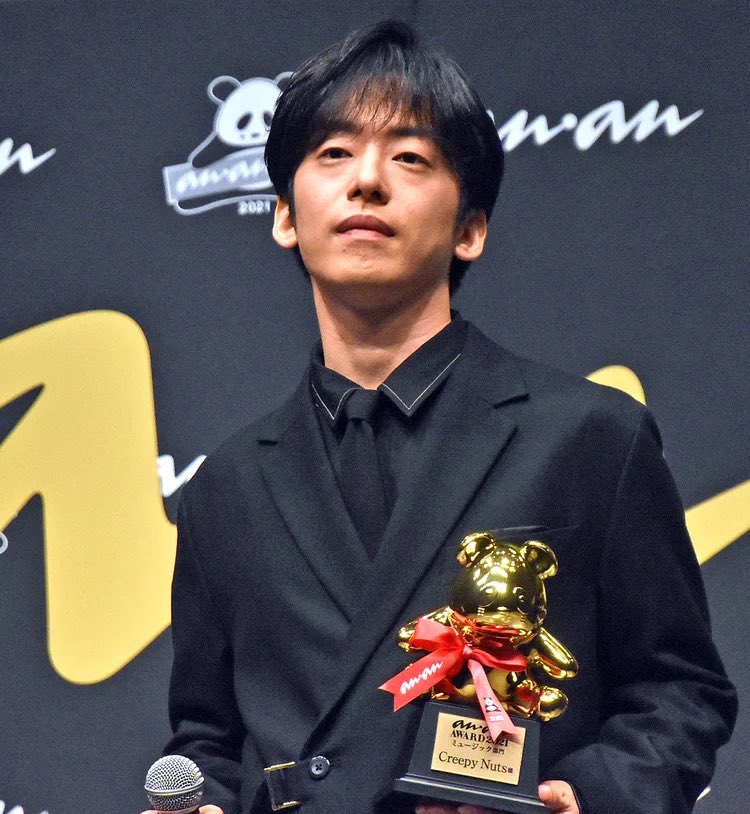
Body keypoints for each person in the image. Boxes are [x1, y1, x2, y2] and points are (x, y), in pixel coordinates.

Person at [146, 21, 736, 814]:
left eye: (410, 158)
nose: (366, 181)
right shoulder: (228, 485)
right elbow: (207, 737)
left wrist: (583, 796)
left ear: (471, 229)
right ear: (284, 214)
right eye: (333, 153)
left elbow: (680, 692)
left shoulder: (590, 438)